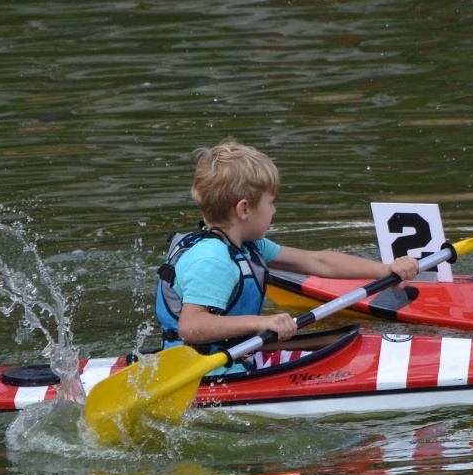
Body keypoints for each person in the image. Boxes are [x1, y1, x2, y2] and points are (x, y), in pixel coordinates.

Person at [155, 140, 420, 356]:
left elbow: (318, 262)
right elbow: (191, 327)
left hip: (234, 357)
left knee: (337, 340)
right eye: (270, 203)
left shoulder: (248, 246)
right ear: (244, 209)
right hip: (205, 373)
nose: (274, 210)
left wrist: (386, 271)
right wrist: (262, 322)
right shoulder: (212, 260)